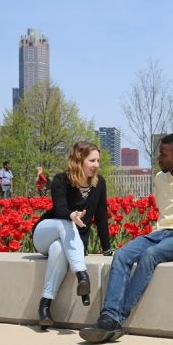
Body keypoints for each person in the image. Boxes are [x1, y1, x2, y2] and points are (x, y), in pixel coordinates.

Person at [79, 133, 173, 343]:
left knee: (150, 255)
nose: (158, 159)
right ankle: (108, 316)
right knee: (122, 254)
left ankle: (116, 318)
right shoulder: (160, 178)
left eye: (163, 154)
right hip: (159, 232)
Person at [32, 141, 111, 329]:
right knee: (65, 223)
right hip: (46, 232)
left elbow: (101, 218)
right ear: (79, 160)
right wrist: (71, 215)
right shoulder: (61, 180)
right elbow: (59, 209)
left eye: (98, 160)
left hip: (70, 242)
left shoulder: (99, 184)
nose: (96, 165)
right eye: (92, 160)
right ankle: (82, 274)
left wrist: (107, 248)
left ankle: (45, 306)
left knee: (58, 248)